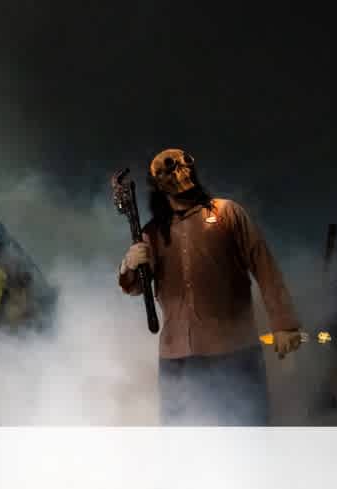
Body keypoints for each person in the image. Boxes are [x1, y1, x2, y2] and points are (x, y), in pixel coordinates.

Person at [117, 148, 303, 426]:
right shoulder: (152, 233)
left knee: (247, 432)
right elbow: (134, 288)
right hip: (177, 358)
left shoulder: (227, 213)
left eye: (182, 163)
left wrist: (284, 323)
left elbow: (264, 266)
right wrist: (129, 265)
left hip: (234, 351)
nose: (179, 170)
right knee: (182, 443)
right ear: (157, 184)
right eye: (169, 168)